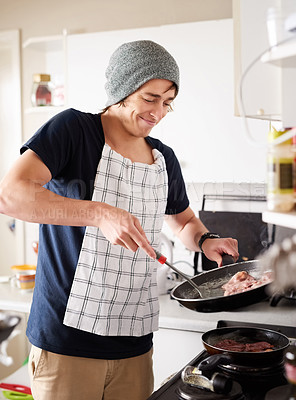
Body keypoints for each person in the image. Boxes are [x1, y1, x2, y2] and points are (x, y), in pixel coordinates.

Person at [0, 40, 239, 400]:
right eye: (150, 97)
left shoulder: (163, 159)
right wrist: (98, 213)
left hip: (134, 344)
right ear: (123, 89)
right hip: (67, 344)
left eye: (168, 102)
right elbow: (11, 194)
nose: (158, 111)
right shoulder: (73, 130)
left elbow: (183, 221)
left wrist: (206, 240)